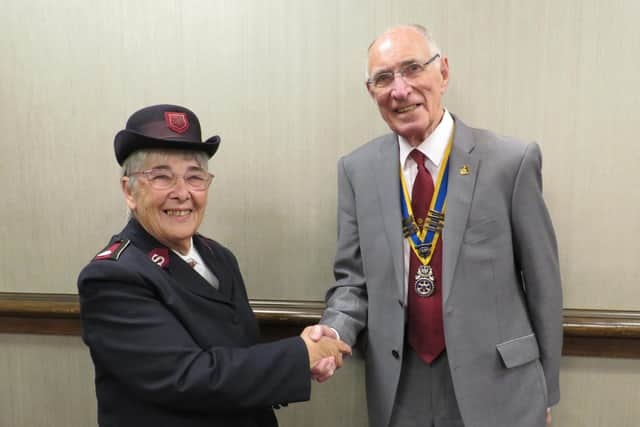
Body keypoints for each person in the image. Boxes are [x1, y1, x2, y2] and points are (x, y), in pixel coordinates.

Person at [311, 25, 563, 427]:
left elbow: (543, 283)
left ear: (443, 73)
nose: (399, 89)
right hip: (399, 388)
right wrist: (333, 334)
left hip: (501, 387)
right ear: (371, 91)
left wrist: (545, 389)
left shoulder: (509, 162)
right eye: (383, 78)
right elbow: (352, 283)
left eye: (412, 68)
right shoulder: (357, 171)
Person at [77, 104, 351, 427]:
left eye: (195, 177)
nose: (182, 194)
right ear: (129, 191)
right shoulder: (112, 276)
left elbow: (237, 355)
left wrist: (306, 353)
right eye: (161, 177)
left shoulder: (218, 257)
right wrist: (299, 356)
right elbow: (186, 377)